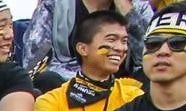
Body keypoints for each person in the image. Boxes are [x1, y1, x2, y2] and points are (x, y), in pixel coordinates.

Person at [27, 0, 158, 79]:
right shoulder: (54, 5)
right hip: (65, 86)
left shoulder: (139, 8)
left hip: (125, 88)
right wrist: (90, 82)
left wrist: (129, 14)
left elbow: (152, 55)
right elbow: (33, 61)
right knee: (47, 79)